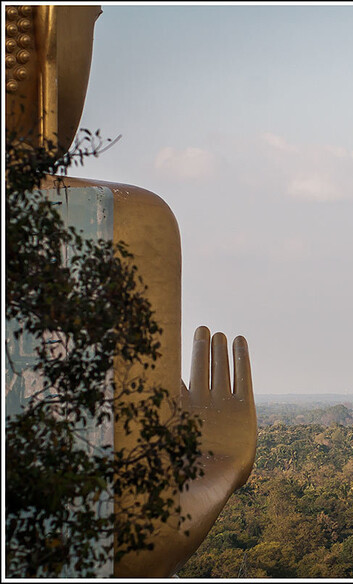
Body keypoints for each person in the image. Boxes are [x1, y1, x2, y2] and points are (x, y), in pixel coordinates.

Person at [4, 5, 258, 576]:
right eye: (86, 19)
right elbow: (126, 548)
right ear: (45, 40)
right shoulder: (117, 222)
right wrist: (218, 466)